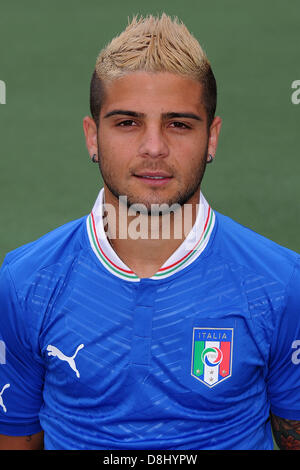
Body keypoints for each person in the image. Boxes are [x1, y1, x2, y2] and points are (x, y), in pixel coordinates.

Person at [0, 13, 300, 451]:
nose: (154, 147)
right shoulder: (26, 281)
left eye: (179, 124)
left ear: (212, 137)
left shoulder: (280, 282)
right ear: (92, 136)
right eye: (127, 122)